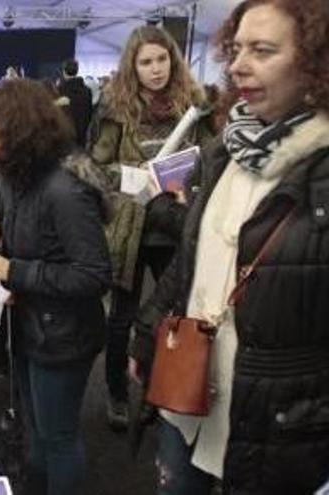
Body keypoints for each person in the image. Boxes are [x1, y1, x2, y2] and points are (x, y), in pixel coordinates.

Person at [129, 0, 329, 493]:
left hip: (276, 421)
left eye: (262, 51)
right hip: (189, 389)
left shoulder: (320, 171)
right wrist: (147, 334)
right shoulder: (228, 148)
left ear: (317, 62)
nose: (238, 65)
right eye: (236, 48)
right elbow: (192, 260)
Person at [0, 78, 112, 495]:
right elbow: (30, 251)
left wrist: (15, 271)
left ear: (14, 128)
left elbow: (93, 274)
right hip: (36, 325)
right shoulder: (19, 178)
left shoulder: (63, 189)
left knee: (57, 438)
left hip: (64, 335)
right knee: (37, 432)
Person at [88, 25, 212, 431]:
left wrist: (190, 182)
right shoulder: (116, 108)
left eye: (162, 59)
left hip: (177, 223)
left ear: (173, 60)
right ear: (133, 66)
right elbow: (97, 167)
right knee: (121, 316)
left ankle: (163, 393)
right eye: (146, 62)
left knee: (174, 314)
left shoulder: (194, 104)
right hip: (131, 223)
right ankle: (117, 394)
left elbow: (214, 158)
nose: (156, 69)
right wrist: (138, 177)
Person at [57, 59, 93, 147]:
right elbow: (89, 113)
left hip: (65, 138)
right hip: (83, 136)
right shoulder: (87, 91)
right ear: (77, 71)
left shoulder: (60, 91)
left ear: (64, 72)